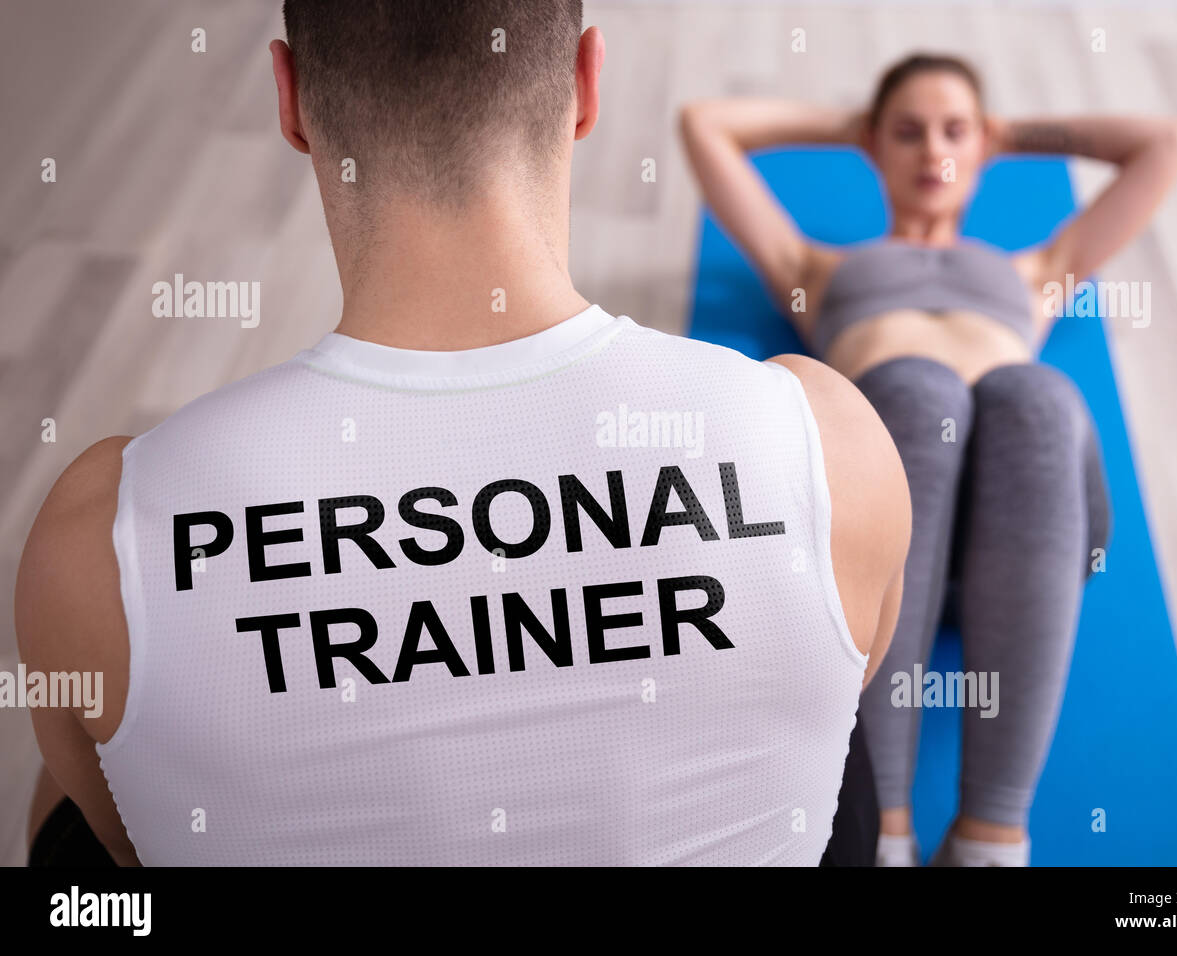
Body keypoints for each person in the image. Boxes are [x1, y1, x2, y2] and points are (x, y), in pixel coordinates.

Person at [15, 0, 910, 866]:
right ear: (587, 84)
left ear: (288, 102)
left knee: (65, 789)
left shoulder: (101, 532)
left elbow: (127, 841)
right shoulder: (822, 436)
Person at [679, 53, 1177, 865]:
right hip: (882, 549)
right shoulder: (814, 268)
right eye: (908, 134)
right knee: (920, 389)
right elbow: (705, 124)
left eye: (955, 132)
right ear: (874, 146)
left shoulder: (1036, 271)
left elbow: (1166, 140)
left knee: (1038, 395)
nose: (934, 152)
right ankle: (883, 830)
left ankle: (992, 837)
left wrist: (1004, 135)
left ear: (983, 143)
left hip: (1028, 527)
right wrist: (853, 128)